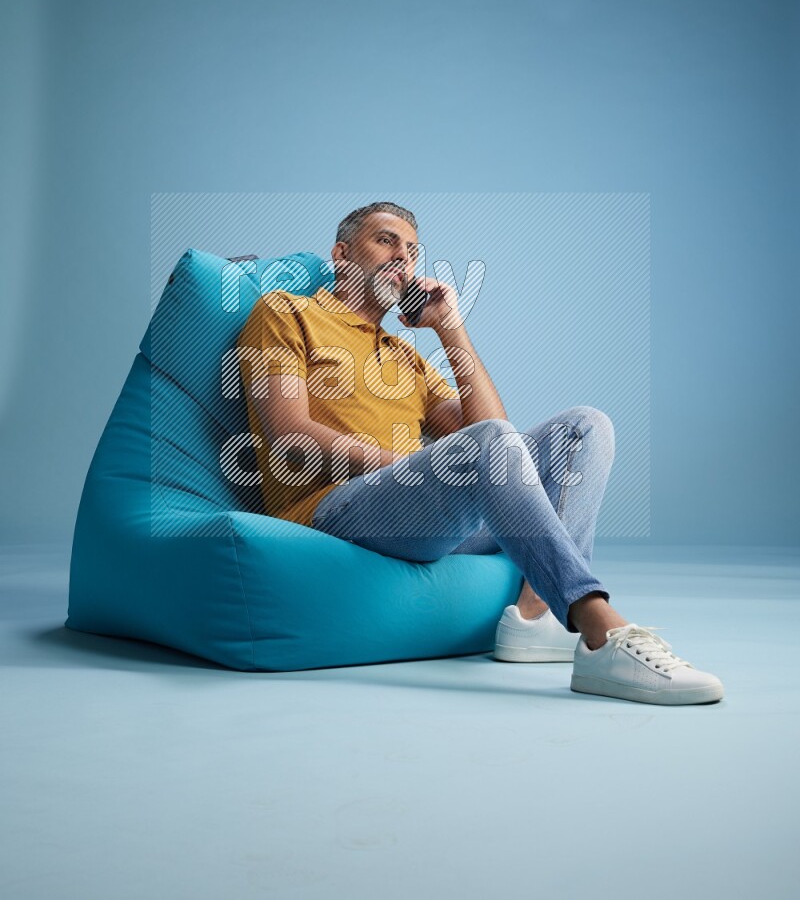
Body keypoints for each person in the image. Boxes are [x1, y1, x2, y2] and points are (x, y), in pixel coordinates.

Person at [236, 202, 724, 706]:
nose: (402, 258)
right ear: (341, 254)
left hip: (420, 516)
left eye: (411, 251)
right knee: (486, 445)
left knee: (584, 428)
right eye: (386, 241)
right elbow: (288, 435)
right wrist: (406, 467)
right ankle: (598, 626)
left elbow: (493, 430)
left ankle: (535, 617)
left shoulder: (404, 356)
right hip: (333, 509)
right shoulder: (287, 312)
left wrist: (450, 327)